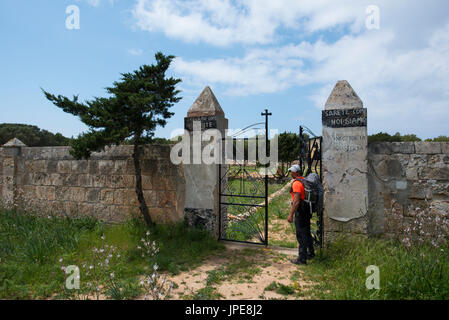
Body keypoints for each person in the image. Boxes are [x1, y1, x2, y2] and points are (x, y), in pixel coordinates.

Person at [287, 164, 315, 265]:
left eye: (292, 171)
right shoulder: (304, 180)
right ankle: (311, 253)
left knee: (301, 234)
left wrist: (291, 214)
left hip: (301, 212)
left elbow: (296, 201)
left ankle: (302, 259)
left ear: (296, 172)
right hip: (307, 210)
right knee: (307, 232)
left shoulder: (296, 184)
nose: (290, 173)